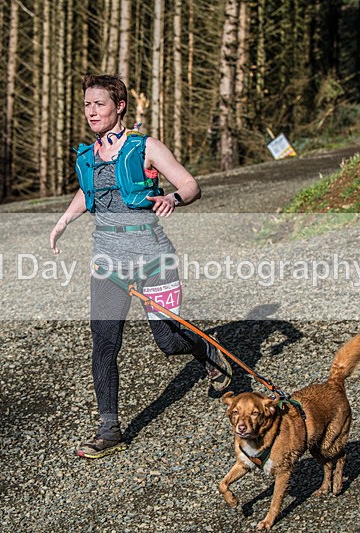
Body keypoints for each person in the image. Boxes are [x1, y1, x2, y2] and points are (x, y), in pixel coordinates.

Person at [49, 74, 232, 459]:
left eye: (99, 104)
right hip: (108, 264)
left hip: (153, 259)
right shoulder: (90, 154)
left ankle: (207, 350)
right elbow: (88, 190)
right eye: (87, 104)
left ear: (119, 107)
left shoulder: (146, 146)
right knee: (104, 343)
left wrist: (173, 199)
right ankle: (109, 428)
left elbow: (191, 185)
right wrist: (64, 221)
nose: (92, 111)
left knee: (168, 341)